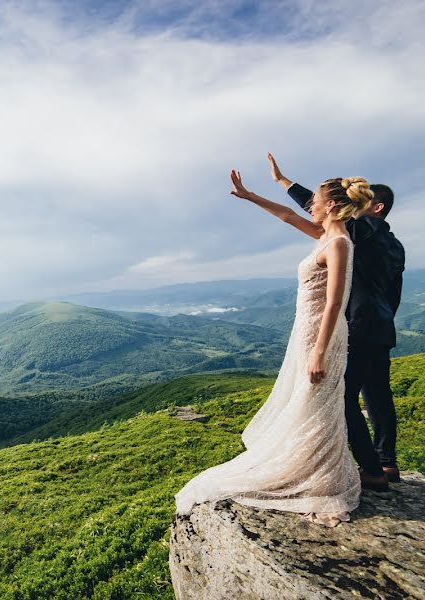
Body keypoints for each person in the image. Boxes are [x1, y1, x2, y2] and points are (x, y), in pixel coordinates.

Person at [173, 171, 374, 527]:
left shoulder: (340, 243)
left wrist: (318, 352)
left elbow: (333, 303)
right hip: (307, 332)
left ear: (331, 205)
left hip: (322, 336)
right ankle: (318, 473)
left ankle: (322, 481)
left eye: (314, 198)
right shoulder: (325, 236)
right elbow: (288, 216)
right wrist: (251, 196)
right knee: (310, 404)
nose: (310, 204)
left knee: (319, 407)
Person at [267, 153, 404, 485]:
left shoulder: (358, 232)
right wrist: (284, 182)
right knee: (378, 396)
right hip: (381, 327)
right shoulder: (395, 246)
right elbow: (393, 292)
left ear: (377, 208)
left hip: (356, 325)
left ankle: (371, 470)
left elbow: (321, 214)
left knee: (342, 398)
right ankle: (387, 464)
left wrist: (286, 185)